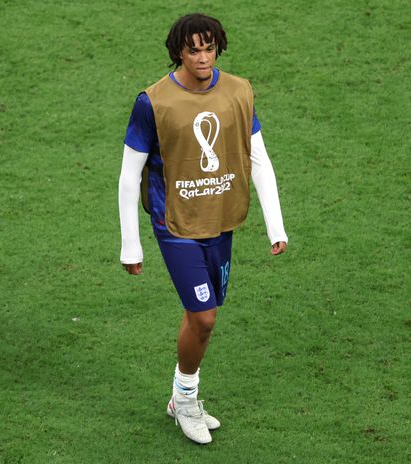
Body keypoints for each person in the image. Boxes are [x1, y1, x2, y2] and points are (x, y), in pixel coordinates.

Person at [118, 13, 287, 444]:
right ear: (178, 50)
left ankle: (182, 396)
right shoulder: (152, 101)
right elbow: (128, 174)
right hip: (174, 222)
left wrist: (275, 226)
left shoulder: (239, 91)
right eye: (193, 49)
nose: (202, 57)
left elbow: (258, 158)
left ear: (219, 48)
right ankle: (187, 399)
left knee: (205, 317)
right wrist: (130, 246)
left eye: (209, 48)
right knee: (204, 315)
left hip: (221, 219)